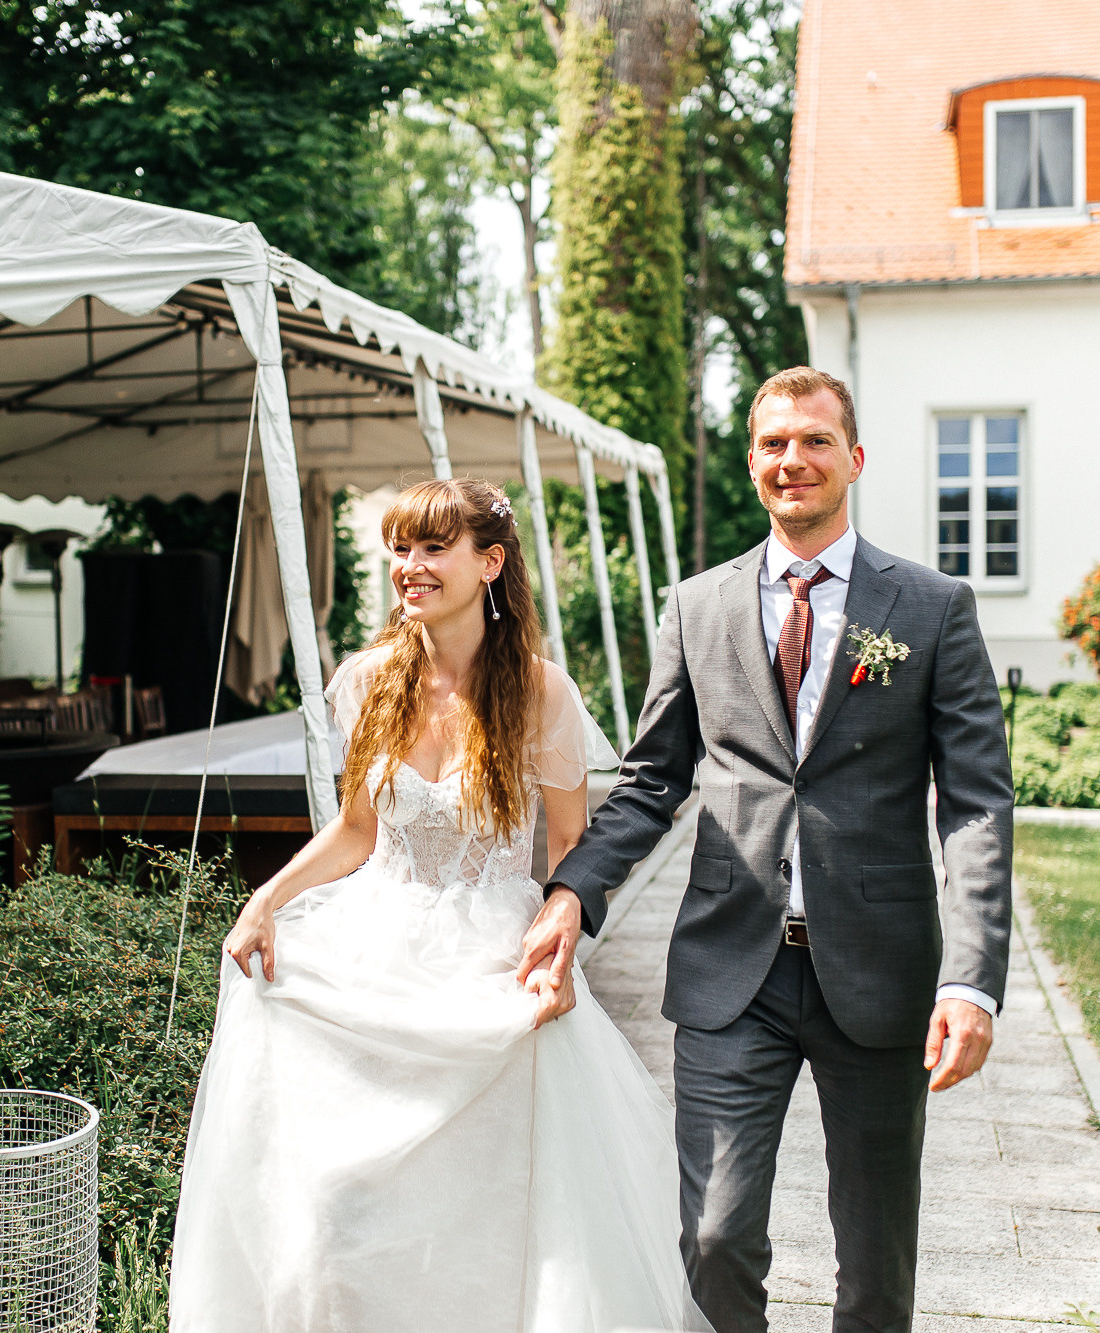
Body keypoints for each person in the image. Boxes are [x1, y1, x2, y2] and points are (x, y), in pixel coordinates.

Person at [520, 367, 1014, 1333]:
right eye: (775, 443)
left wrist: (972, 979)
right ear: (752, 462)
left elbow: (976, 803)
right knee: (712, 1234)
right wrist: (574, 890)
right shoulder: (695, 606)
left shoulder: (930, 607)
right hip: (728, 964)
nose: (795, 459)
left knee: (875, 1258)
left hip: (878, 971)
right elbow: (654, 776)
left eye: (816, 440)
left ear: (855, 460)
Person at [167, 477, 710, 1333]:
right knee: (338, 1194)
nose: (409, 567)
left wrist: (563, 951)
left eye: (432, 548)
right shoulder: (367, 682)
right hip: (372, 945)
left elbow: (571, 850)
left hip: (491, 954)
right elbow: (354, 832)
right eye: (401, 549)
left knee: (491, 1202)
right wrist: (266, 898)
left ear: (489, 562)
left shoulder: (541, 693)